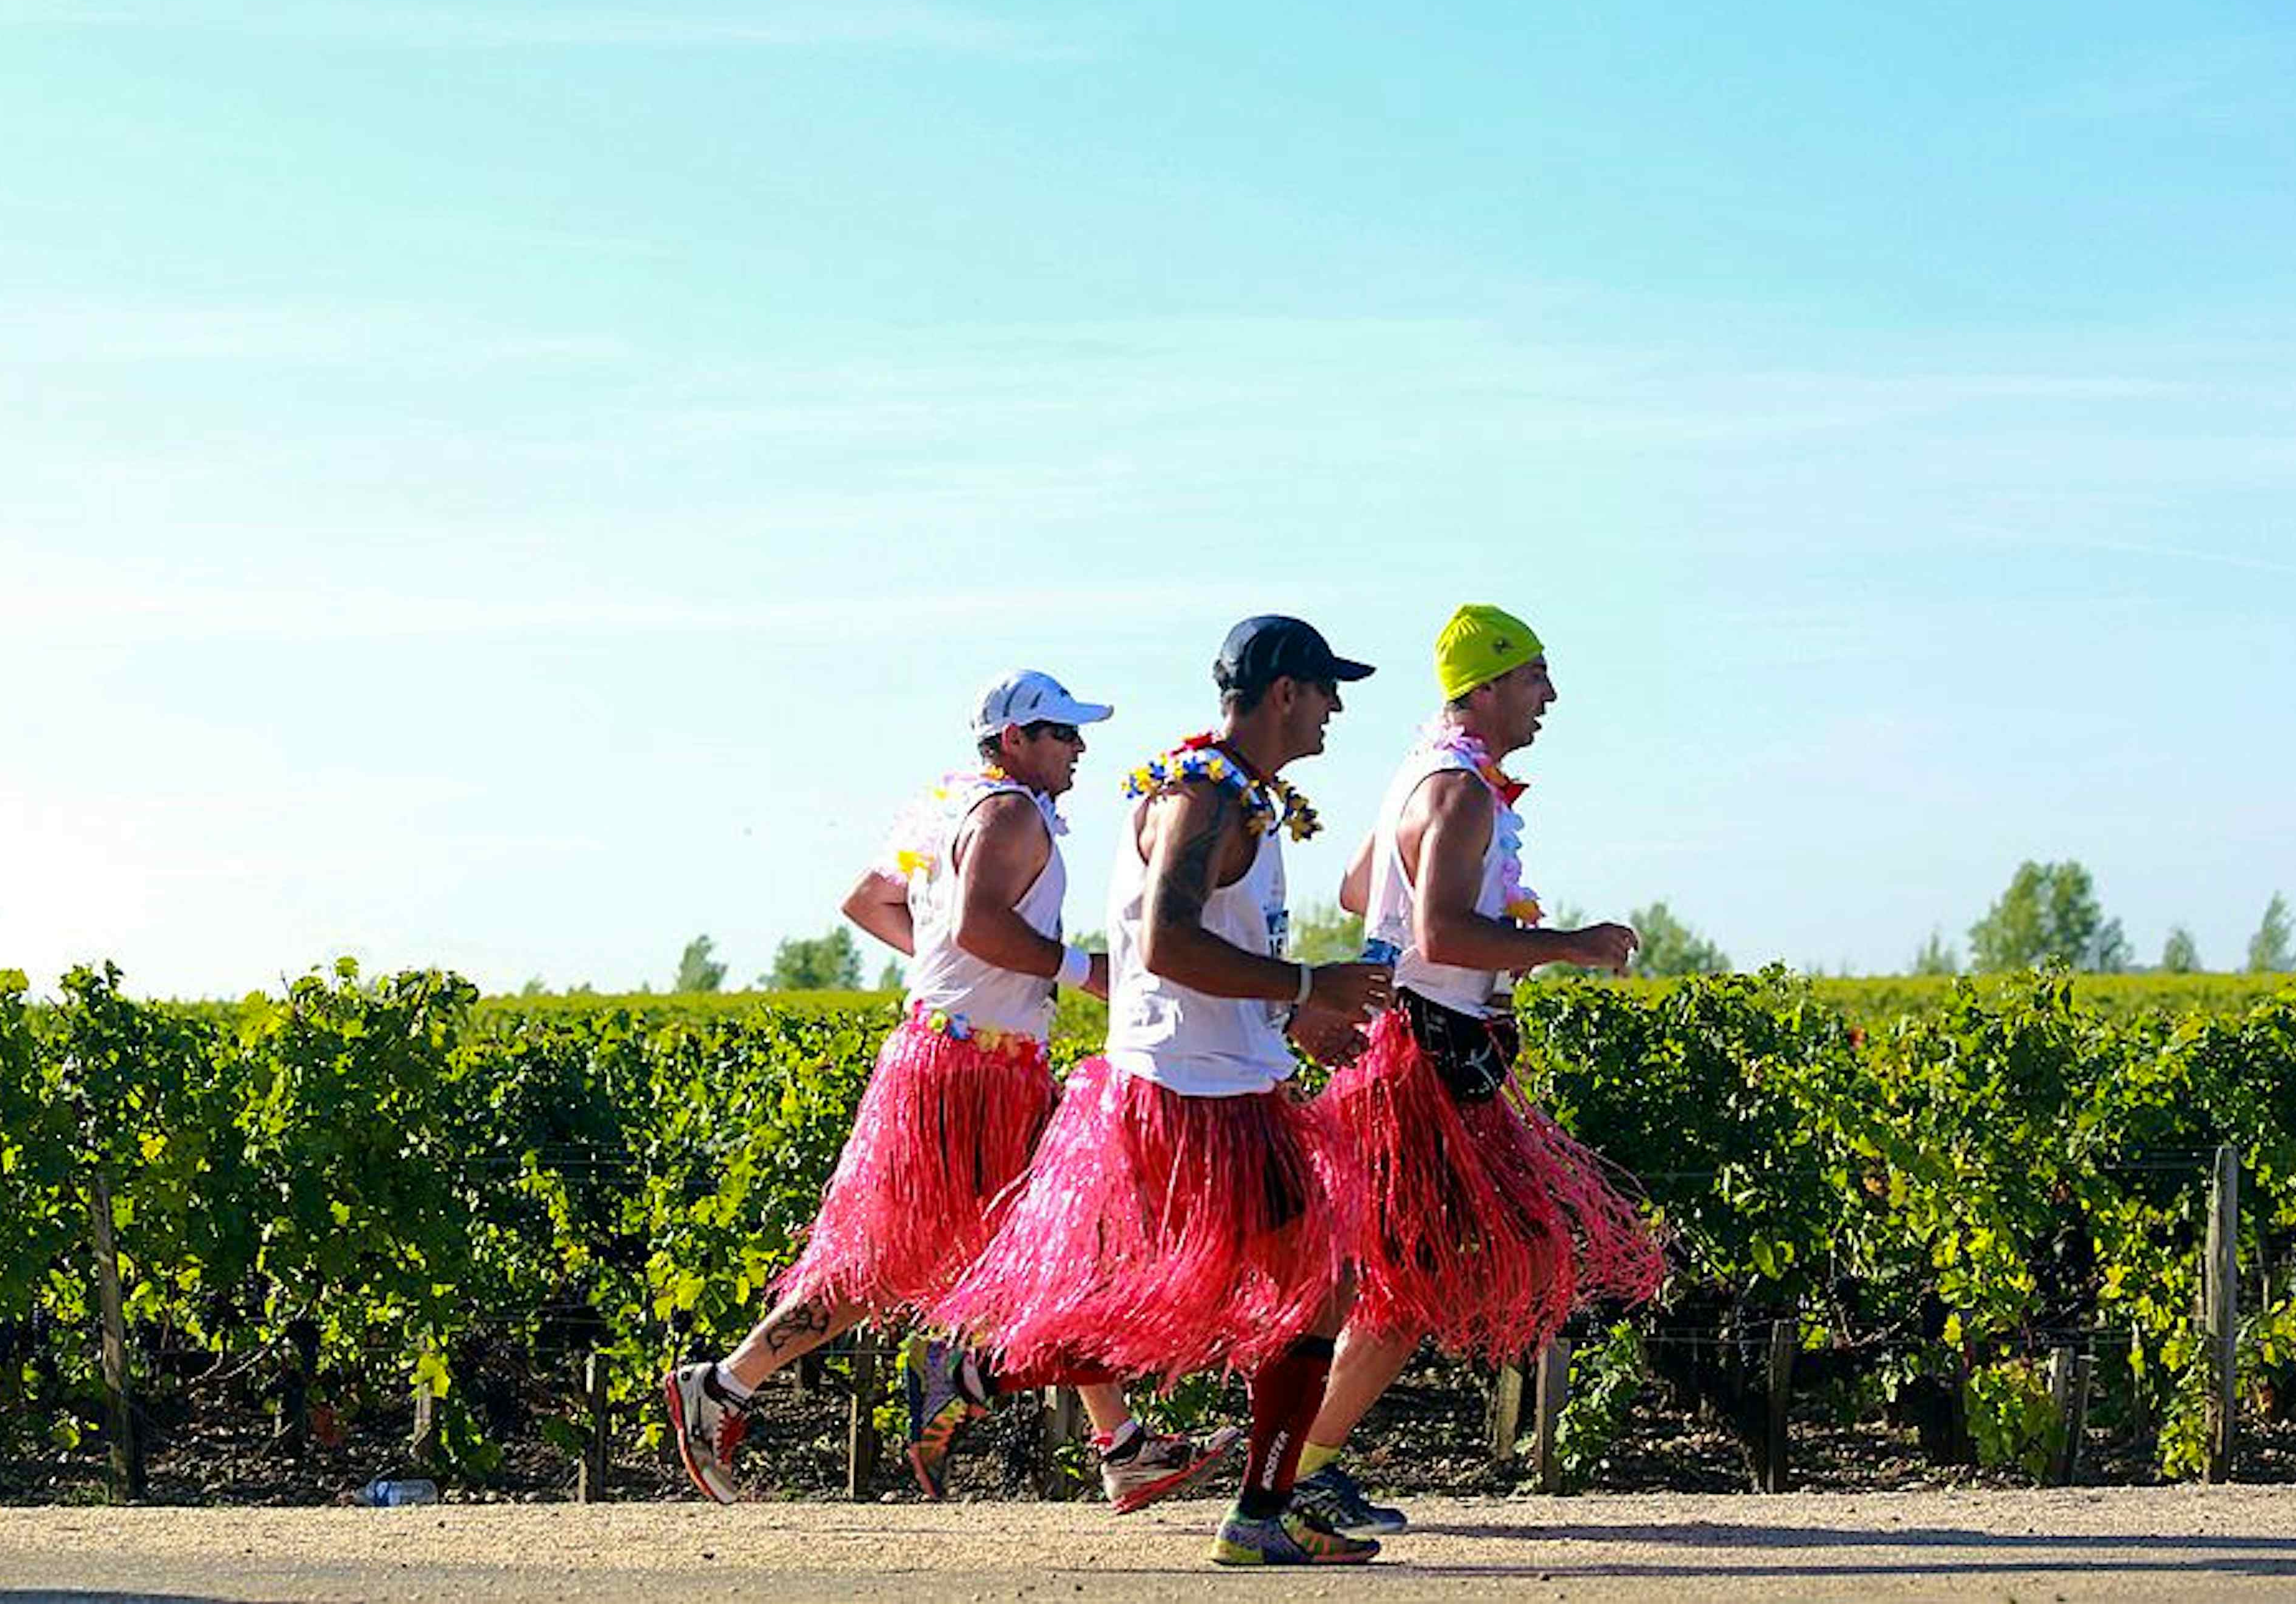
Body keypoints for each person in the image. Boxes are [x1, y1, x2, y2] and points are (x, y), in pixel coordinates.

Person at [662, 670, 1236, 1512]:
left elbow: (870, 902)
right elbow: (975, 925)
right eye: (1062, 733)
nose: (1079, 748)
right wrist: (1079, 972)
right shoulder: (1009, 813)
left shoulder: (953, 806)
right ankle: (735, 1382)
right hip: (971, 1076)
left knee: (961, 1256)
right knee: (1030, 1249)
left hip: (956, 1062)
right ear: (1015, 740)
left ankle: (1120, 1446)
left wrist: (954, 974)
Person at [932, 616, 1396, 1567]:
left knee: (1291, 1290)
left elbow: (1201, 955)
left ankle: (1255, 1508)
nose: (1334, 711)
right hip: (1195, 1099)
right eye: (1325, 690)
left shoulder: (1231, 794)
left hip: (1217, 1086)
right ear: (1283, 693)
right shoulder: (1203, 796)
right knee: (1308, 1287)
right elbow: (1168, 946)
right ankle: (987, 1368)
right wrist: (1308, 985)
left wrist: (1290, 1015)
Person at [1287, 604, 1667, 1536]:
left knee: (1401, 1282)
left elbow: (1357, 889)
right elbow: (1444, 932)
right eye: (1535, 676)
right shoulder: (1458, 791)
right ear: (1487, 687)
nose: (1550, 695)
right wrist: (1567, 944)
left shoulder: (1426, 778)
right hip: (1425, 1057)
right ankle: (1293, 1473)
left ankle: (1293, 1465)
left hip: (1422, 1045)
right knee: (1407, 1288)